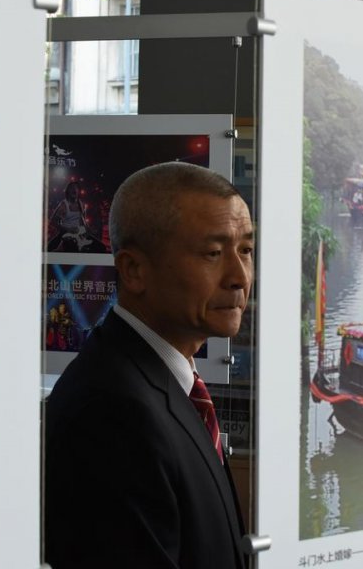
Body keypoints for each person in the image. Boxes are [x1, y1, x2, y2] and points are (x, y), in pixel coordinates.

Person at [44, 162, 252, 568]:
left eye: (245, 250)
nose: (239, 276)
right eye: (213, 253)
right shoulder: (112, 413)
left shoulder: (165, 384)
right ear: (134, 269)